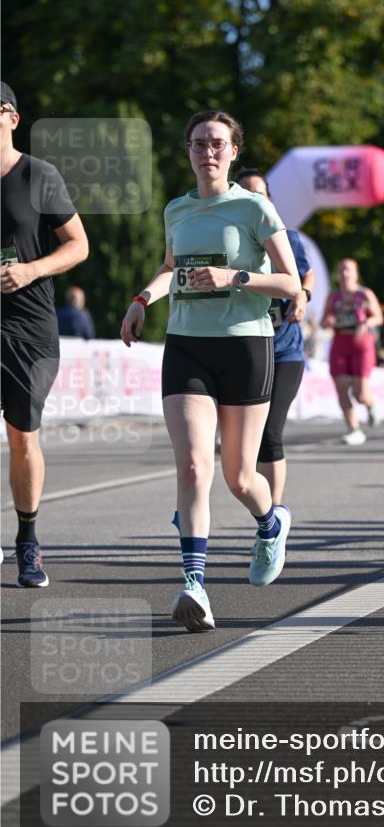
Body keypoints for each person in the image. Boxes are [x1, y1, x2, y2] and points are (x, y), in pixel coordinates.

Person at [120, 110, 300, 632]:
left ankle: (271, 523)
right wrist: (143, 299)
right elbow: (170, 267)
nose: (208, 152)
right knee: (195, 467)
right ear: (189, 151)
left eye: (218, 143)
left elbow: (292, 286)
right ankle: (195, 585)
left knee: (240, 477)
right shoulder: (177, 209)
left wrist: (235, 275)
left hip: (245, 346)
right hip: (186, 346)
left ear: (234, 151)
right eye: (199, 143)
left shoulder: (254, 207)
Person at [0, 81, 89, 585]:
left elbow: (78, 246)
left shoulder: (39, 175)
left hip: (29, 328)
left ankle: (28, 541)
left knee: (21, 435)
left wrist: (31, 270)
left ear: (12, 117)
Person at [236, 167, 315, 505]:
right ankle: (263, 512)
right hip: (245, 350)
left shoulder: (288, 238)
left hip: (285, 351)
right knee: (243, 441)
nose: (253, 199)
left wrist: (302, 295)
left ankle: (274, 516)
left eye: (259, 193)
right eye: (245, 193)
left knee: (270, 433)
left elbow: (305, 274)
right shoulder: (230, 242)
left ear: (269, 200)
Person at [321, 258, 384, 445]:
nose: (345, 274)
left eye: (348, 270)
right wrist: (328, 321)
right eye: (341, 270)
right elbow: (325, 319)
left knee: (360, 393)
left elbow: (378, 318)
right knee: (341, 387)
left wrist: (366, 323)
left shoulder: (364, 295)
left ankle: (370, 404)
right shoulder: (333, 297)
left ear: (356, 273)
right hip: (340, 343)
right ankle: (353, 429)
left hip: (361, 345)